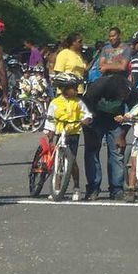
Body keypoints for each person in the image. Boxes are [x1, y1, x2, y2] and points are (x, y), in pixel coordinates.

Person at [42, 72, 93, 201]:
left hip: (73, 134)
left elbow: (87, 114)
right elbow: (50, 118)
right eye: (73, 88)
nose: (76, 91)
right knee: (58, 162)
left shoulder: (78, 102)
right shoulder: (55, 102)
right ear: (64, 89)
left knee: (72, 161)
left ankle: (76, 187)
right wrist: (50, 131)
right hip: (60, 132)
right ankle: (57, 187)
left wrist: (86, 119)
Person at [80, 72, 131, 200]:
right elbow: (85, 109)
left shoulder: (130, 92)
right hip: (95, 118)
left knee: (117, 152)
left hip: (116, 120)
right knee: (92, 151)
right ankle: (93, 187)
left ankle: (116, 189)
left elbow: (133, 115)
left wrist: (122, 135)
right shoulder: (96, 88)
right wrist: (89, 131)